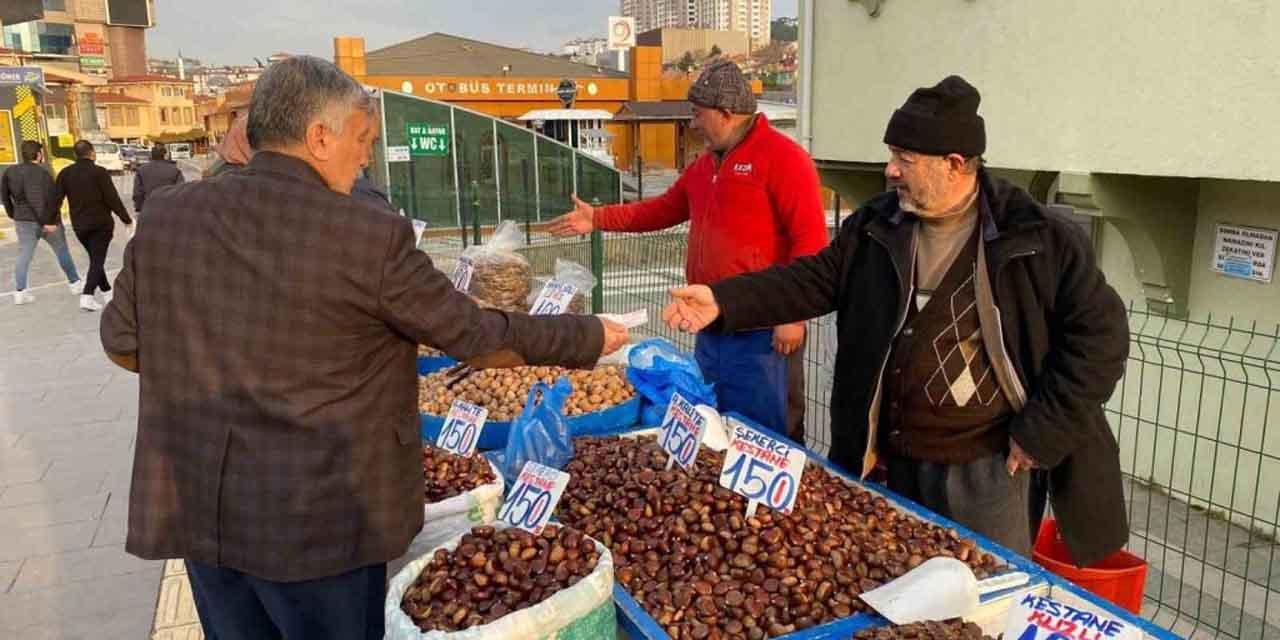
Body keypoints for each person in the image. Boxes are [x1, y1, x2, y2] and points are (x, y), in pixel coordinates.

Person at [99, 56, 629, 640]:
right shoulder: (364, 235)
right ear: (320, 137)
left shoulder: (170, 212)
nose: (365, 157)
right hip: (317, 522)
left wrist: (215, 380)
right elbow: (475, 336)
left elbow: (122, 342)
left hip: (201, 504)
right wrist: (587, 335)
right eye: (363, 138)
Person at [661, 75, 1130, 565]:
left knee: (983, 587)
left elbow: (1101, 339)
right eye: (892, 155)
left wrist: (1042, 432)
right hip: (889, 460)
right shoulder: (878, 224)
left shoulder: (1036, 238)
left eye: (905, 159)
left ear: (954, 164)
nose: (890, 170)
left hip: (988, 469)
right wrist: (723, 301)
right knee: (885, 578)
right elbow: (811, 280)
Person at [548, 60, 828, 442]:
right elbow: (661, 210)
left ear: (725, 113)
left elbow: (810, 241)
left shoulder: (784, 158)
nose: (693, 123)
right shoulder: (703, 166)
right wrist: (599, 217)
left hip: (762, 330)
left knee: (767, 431)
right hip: (708, 323)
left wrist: (793, 316)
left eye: (698, 113)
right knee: (712, 422)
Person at [51, 140, 132, 311]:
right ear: (92, 153)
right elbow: (112, 199)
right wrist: (126, 219)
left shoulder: (65, 173)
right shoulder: (99, 172)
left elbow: (56, 200)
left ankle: (107, 293)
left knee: (96, 259)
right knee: (97, 260)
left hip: (80, 226)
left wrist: (49, 220)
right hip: (101, 224)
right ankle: (87, 296)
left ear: (75, 155)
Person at [2, 140, 81, 305]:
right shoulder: (43, 171)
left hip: (23, 220)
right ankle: (75, 284)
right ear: (38, 155)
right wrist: (51, 221)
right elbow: (51, 198)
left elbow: (4, 196)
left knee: (24, 255)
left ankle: (20, 292)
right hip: (47, 220)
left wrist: (13, 213)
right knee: (62, 251)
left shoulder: (10, 171)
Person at [131, 144, 185, 214]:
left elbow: (137, 193)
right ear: (165, 155)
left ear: (151, 155)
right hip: (170, 209)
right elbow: (182, 191)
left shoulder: (141, 170)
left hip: (149, 209)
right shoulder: (174, 170)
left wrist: (139, 208)